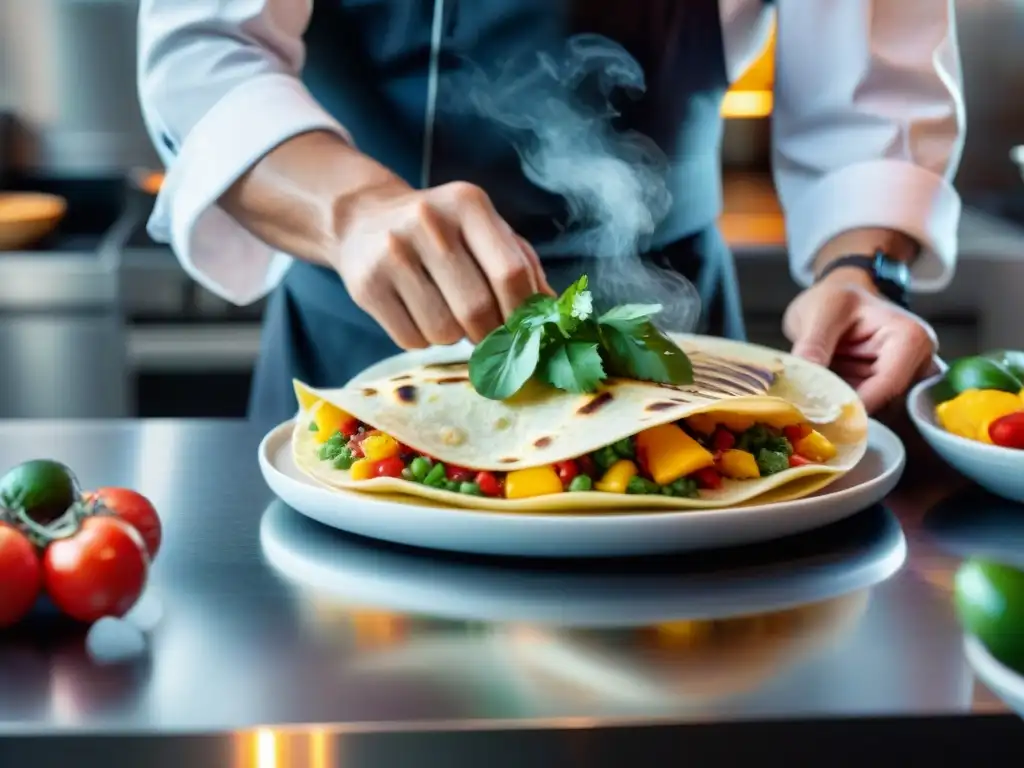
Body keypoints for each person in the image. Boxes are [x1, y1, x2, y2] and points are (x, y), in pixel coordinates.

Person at [137, 0, 964, 425]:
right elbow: (201, 49)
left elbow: (873, 91)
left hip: (680, 345)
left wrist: (864, 267)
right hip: (362, 337)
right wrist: (356, 209)